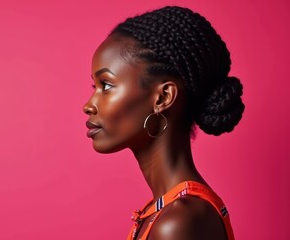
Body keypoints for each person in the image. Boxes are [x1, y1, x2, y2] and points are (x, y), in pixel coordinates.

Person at [83, 6, 244, 240]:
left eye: (106, 86)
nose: (88, 105)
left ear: (163, 97)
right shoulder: (161, 212)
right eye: (94, 87)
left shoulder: (180, 222)